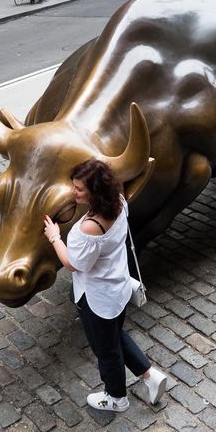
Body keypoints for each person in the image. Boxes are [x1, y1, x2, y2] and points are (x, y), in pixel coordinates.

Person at [43, 159, 168, 412]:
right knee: (114, 336)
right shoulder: (119, 202)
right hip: (117, 288)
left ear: (96, 191)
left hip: (97, 298)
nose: (73, 191)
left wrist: (55, 237)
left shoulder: (90, 228)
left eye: (79, 188)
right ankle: (149, 376)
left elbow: (72, 263)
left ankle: (116, 398)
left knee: (106, 350)